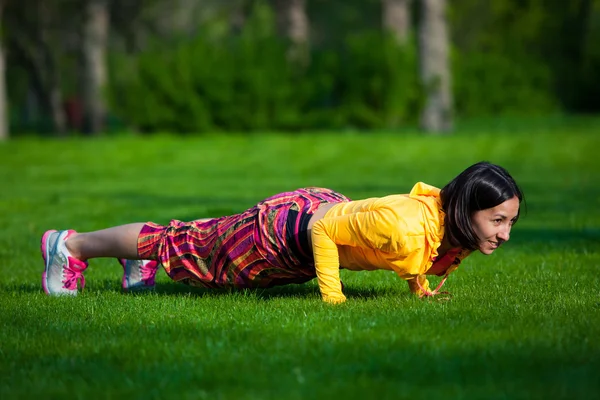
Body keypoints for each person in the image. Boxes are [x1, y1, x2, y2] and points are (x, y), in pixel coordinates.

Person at [40, 161, 524, 304]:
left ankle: (137, 260)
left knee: (186, 241)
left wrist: (418, 287)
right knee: (187, 249)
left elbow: (418, 251)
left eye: (509, 223)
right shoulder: (404, 223)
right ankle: (70, 246)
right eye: (497, 220)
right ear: (466, 207)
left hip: (303, 226)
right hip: (284, 232)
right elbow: (325, 228)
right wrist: (332, 297)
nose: (503, 234)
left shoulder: (445, 226)